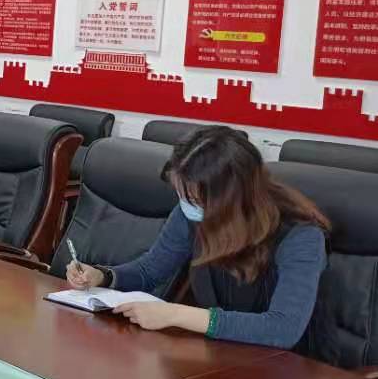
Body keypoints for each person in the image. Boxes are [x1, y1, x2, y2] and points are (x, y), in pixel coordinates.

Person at [66, 125, 329, 348]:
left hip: (284, 367)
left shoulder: (300, 235)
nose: (185, 204)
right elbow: (150, 270)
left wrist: (175, 314)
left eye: (193, 197)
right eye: (182, 194)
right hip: (219, 352)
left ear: (229, 197)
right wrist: (103, 276)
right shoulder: (192, 213)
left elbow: (282, 329)